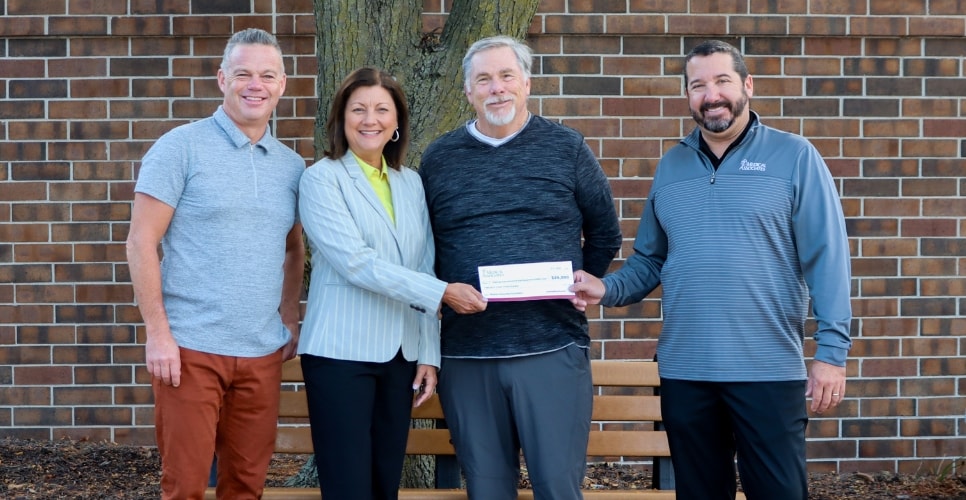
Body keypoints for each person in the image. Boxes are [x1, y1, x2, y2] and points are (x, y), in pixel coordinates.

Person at [570, 39, 853, 500]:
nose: (711, 94)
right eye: (697, 85)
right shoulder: (672, 166)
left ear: (746, 85)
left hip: (768, 370)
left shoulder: (796, 157)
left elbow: (828, 259)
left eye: (722, 81)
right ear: (688, 96)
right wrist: (606, 288)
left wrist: (831, 354)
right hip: (686, 372)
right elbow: (651, 260)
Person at [419, 36, 623, 499]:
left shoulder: (566, 147)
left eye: (507, 76)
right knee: (487, 490)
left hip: (550, 346)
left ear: (526, 83)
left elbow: (606, 231)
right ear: (467, 91)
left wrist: (578, 283)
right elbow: (423, 248)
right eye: (484, 79)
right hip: (469, 353)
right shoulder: (439, 158)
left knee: (556, 487)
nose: (497, 89)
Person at [125, 28, 305, 499]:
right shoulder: (179, 147)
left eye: (267, 75)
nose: (255, 84)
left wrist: (289, 315)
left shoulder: (291, 166)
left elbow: (293, 248)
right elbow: (140, 243)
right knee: (184, 486)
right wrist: (158, 333)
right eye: (243, 73)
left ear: (282, 84)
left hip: (262, 352)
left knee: (246, 485)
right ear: (222, 78)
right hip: (190, 349)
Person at [297, 67, 487, 500]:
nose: (370, 119)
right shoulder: (321, 179)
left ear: (397, 121)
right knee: (347, 485)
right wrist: (442, 293)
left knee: (385, 483)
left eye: (382, 109)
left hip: (400, 356)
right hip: (340, 354)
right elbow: (355, 263)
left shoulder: (410, 183)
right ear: (341, 119)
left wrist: (427, 355)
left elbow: (423, 263)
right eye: (358, 109)